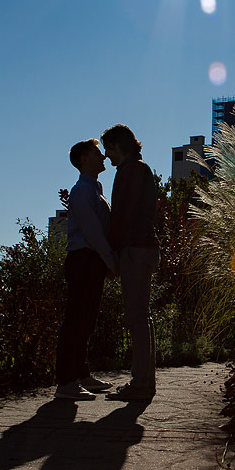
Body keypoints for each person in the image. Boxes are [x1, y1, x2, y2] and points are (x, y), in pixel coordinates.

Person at [54, 139, 118, 400]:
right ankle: (66, 382)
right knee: (76, 320)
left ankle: (81, 374)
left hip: (91, 261)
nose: (103, 155)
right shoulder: (81, 191)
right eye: (96, 152)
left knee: (87, 320)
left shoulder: (95, 189)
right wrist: (111, 262)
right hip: (82, 260)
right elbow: (93, 232)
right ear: (83, 159)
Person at [101, 123, 160, 402]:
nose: (106, 156)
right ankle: (143, 381)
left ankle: (141, 384)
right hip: (141, 248)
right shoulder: (137, 169)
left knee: (137, 318)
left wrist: (112, 251)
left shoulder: (133, 170)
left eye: (108, 149)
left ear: (117, 145)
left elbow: (124, 215)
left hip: (135, 249)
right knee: (141, 317)